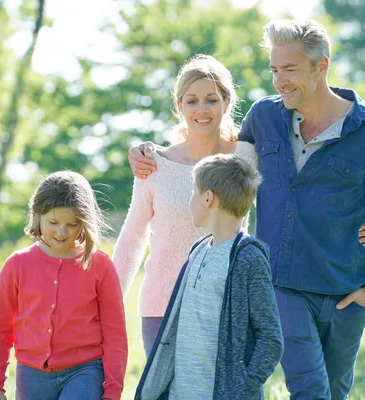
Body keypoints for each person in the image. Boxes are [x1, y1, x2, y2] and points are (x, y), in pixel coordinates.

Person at [129, 19, 365, 400]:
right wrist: (152, 152)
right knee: (310, 389)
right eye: (274, 69)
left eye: (290, 69)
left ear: (322, 65)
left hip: (347, 285)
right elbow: (221, 161)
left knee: (336, 390)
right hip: (281, 282)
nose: (279, 81)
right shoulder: (264, 118)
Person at [111, 54, 259, 358]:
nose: (201, 110)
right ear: (179, 106)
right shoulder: (154, 164)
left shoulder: (247, 157)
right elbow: (133, 235)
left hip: (226, 303)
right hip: (161, 307)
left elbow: (290, 197)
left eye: (211, 100)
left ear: (227, 102)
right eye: (191, 101)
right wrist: (109, 302)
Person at [135, 154, 283, 400]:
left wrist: (241, 390)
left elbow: (270, 339)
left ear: (208, 198)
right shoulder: (198, 249)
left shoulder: (247, 258)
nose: (190, 200)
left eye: (194, 192)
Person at [0, 171, 128, 400]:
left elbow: (115, 334)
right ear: (37, 215)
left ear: (85, 222)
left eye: (72, 224)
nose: (61, 232)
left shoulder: (100, 265)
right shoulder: (16, 265)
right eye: (53, 222)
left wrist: (112, 392)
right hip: (31, 376)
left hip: (85, 371)